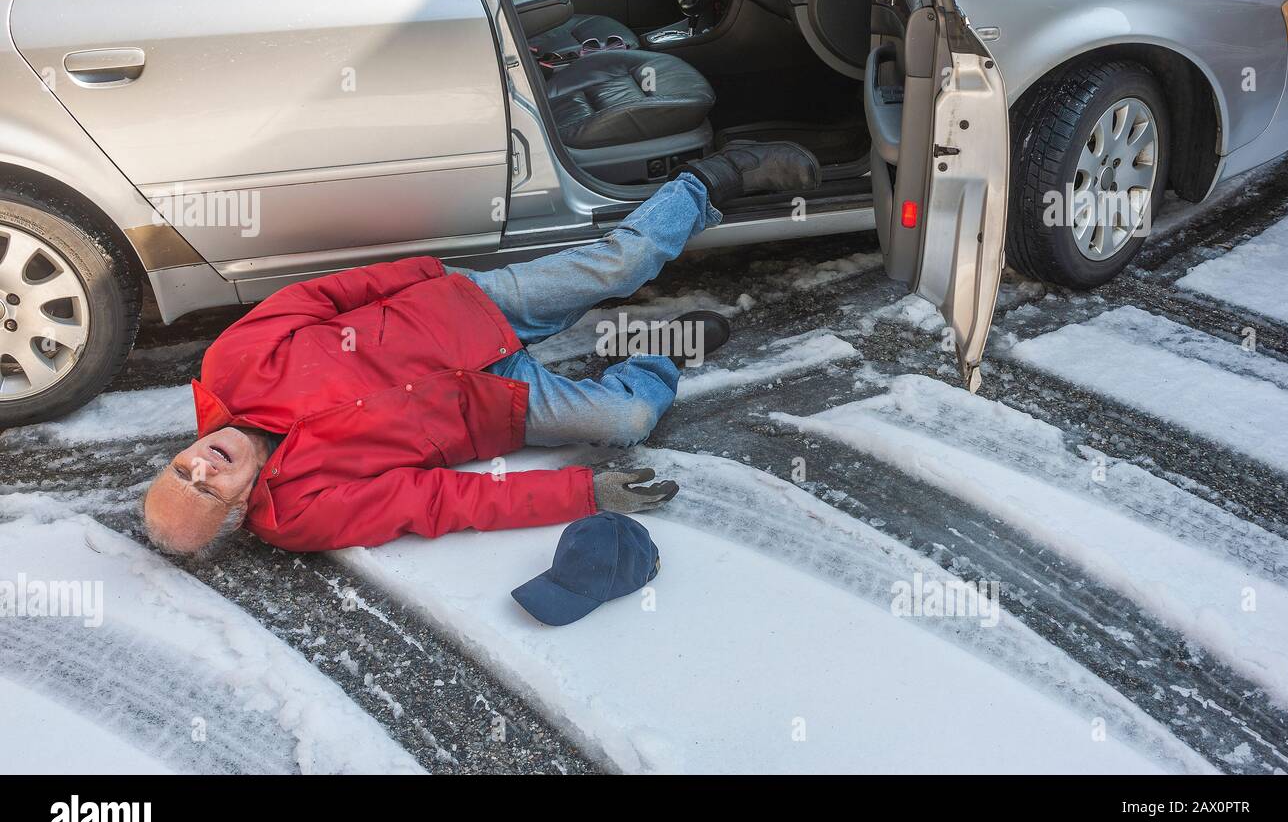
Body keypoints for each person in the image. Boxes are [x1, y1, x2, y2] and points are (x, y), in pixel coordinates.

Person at [141, 143, 820, 556]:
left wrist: (425, 276)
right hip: (488, 407)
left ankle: (715, 178)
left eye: (180, 469)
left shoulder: (229, 366)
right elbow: (440, 502)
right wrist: (582, 491)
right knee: (626, 423)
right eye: (206, 489)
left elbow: (323, 295)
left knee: (621, 265)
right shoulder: (300, 512)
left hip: (460, 312)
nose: (200, 465)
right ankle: (656, 354)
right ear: (238, 508)